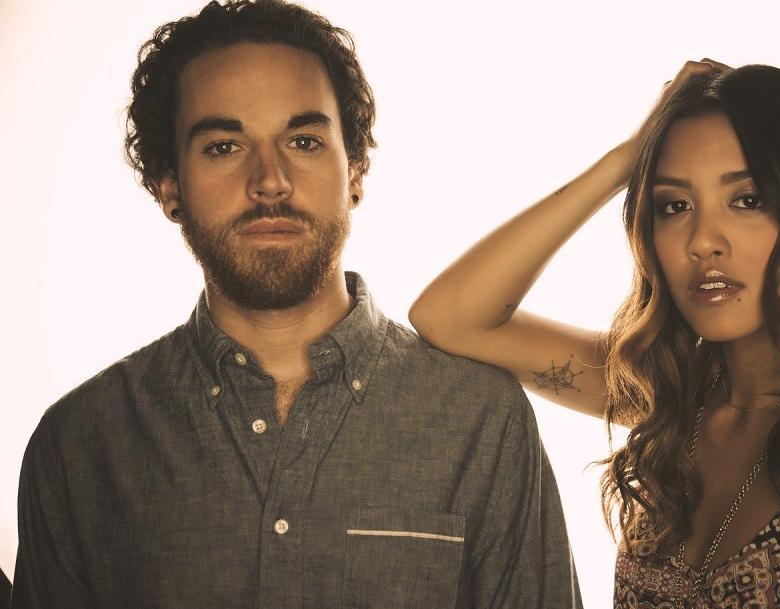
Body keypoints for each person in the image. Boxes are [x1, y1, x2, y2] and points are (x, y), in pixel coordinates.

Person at [11, 2, 582, 608]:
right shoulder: (81, 444)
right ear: (169, 185)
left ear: (355, 171)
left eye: (304, 141)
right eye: (224, 146)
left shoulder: (481, 419)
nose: (270, 180)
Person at [409, 60, 780, 607]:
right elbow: (450, 318)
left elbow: (453, 319)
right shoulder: (674, 405)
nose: (703, 241)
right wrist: (628, 157)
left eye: (747, 200)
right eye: (675, 205)